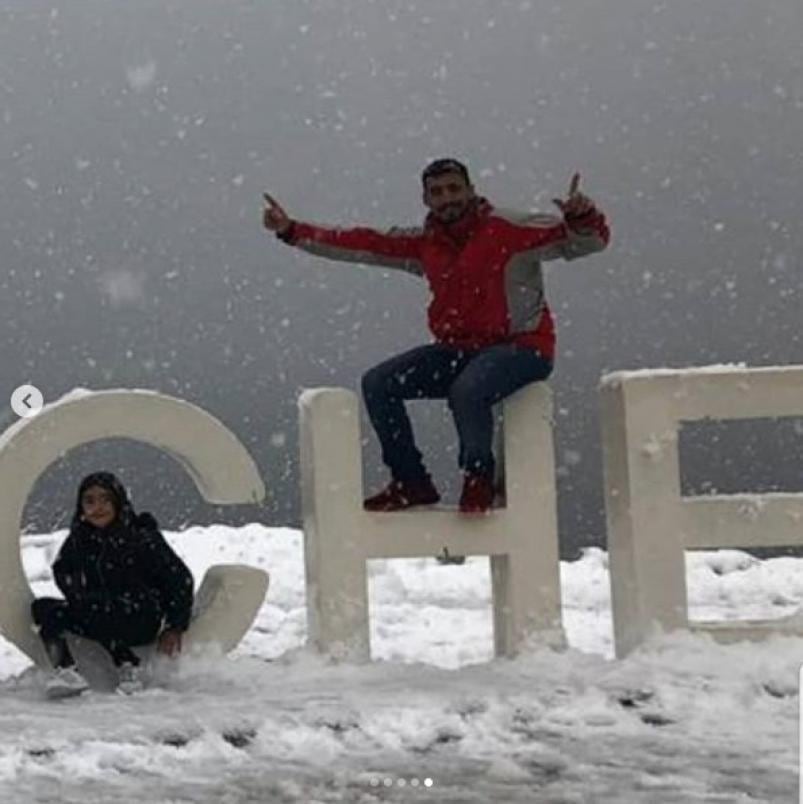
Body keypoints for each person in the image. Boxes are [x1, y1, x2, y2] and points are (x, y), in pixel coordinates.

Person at [263, 158, 610, 514]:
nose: (447, 199)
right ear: (426, 200)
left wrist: (582, 217)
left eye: (454, 189)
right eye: (437, 192)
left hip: (522, 348)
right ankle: (411, 482)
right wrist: (292, 230)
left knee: (468, 390)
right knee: (379, 383)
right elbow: (361, 243)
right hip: (460, 351)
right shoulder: (424, 243)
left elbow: (586, 242)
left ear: (472, 191)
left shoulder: (510, 229)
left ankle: (479, 479)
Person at [32, 471, 194, 698]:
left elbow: (178, 579)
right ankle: (67, 672)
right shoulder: (80, 539)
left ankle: (129, 665)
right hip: (98, 613)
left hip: (139, 617)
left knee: (100, 604)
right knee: (44, 609)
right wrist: (77, 594)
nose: (97, 507)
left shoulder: (141, 536)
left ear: (118, 501)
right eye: (89, 501)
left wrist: (175, 626)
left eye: (105, 499)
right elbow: (62, 569)